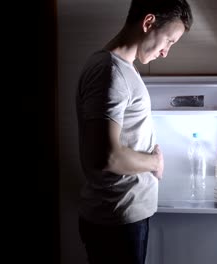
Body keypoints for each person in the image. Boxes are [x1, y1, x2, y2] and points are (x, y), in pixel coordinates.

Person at [75, 0, 193, 263]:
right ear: (149, 22)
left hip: (122, 217)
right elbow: (106, 157)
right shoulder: (110, 72)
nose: (166, 53)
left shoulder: (123, 70)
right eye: (169, 41)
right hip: (117, 221)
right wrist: (154, 162)